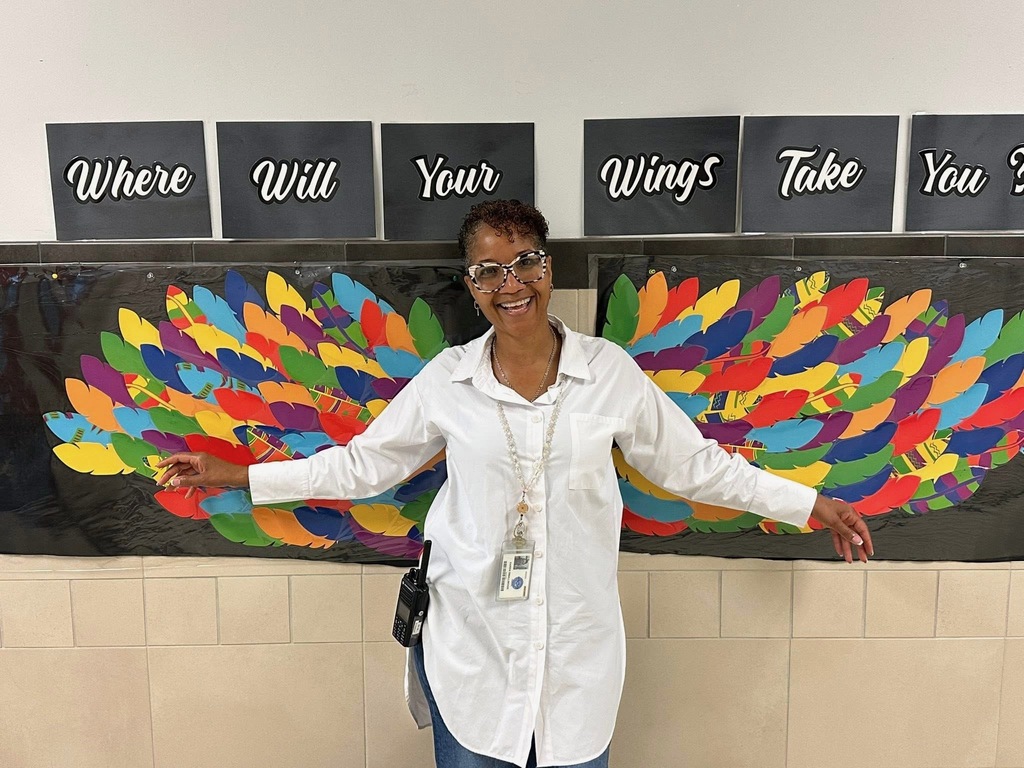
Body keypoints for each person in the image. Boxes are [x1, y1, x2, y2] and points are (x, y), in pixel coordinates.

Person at [156, 199, 873, 768]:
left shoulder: (609, 374)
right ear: (471, 288)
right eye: (488, 271)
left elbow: (695, 466)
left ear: (547, 267)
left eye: (523, 261)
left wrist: (811, 504)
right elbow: (361, 466)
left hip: (576, 661)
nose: (510, 284)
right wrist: (238, 474)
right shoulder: (448, 381)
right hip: (473, 651)